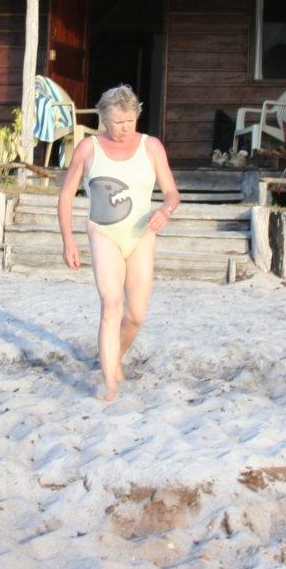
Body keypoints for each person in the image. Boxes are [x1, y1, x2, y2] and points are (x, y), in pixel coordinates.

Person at [57, 84, 179, 401]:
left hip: (141, 235)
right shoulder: (88, 148)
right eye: (118, 122)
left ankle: (114, 358)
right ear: (104, 119)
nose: (125, 128)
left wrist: (165, 211)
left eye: (130, 121)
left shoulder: (151, 147)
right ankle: (108, 383)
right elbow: (66, 195)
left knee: (136, 315)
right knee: (111, 305)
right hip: (103, 233)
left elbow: (171, 193)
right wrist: (68, 241)